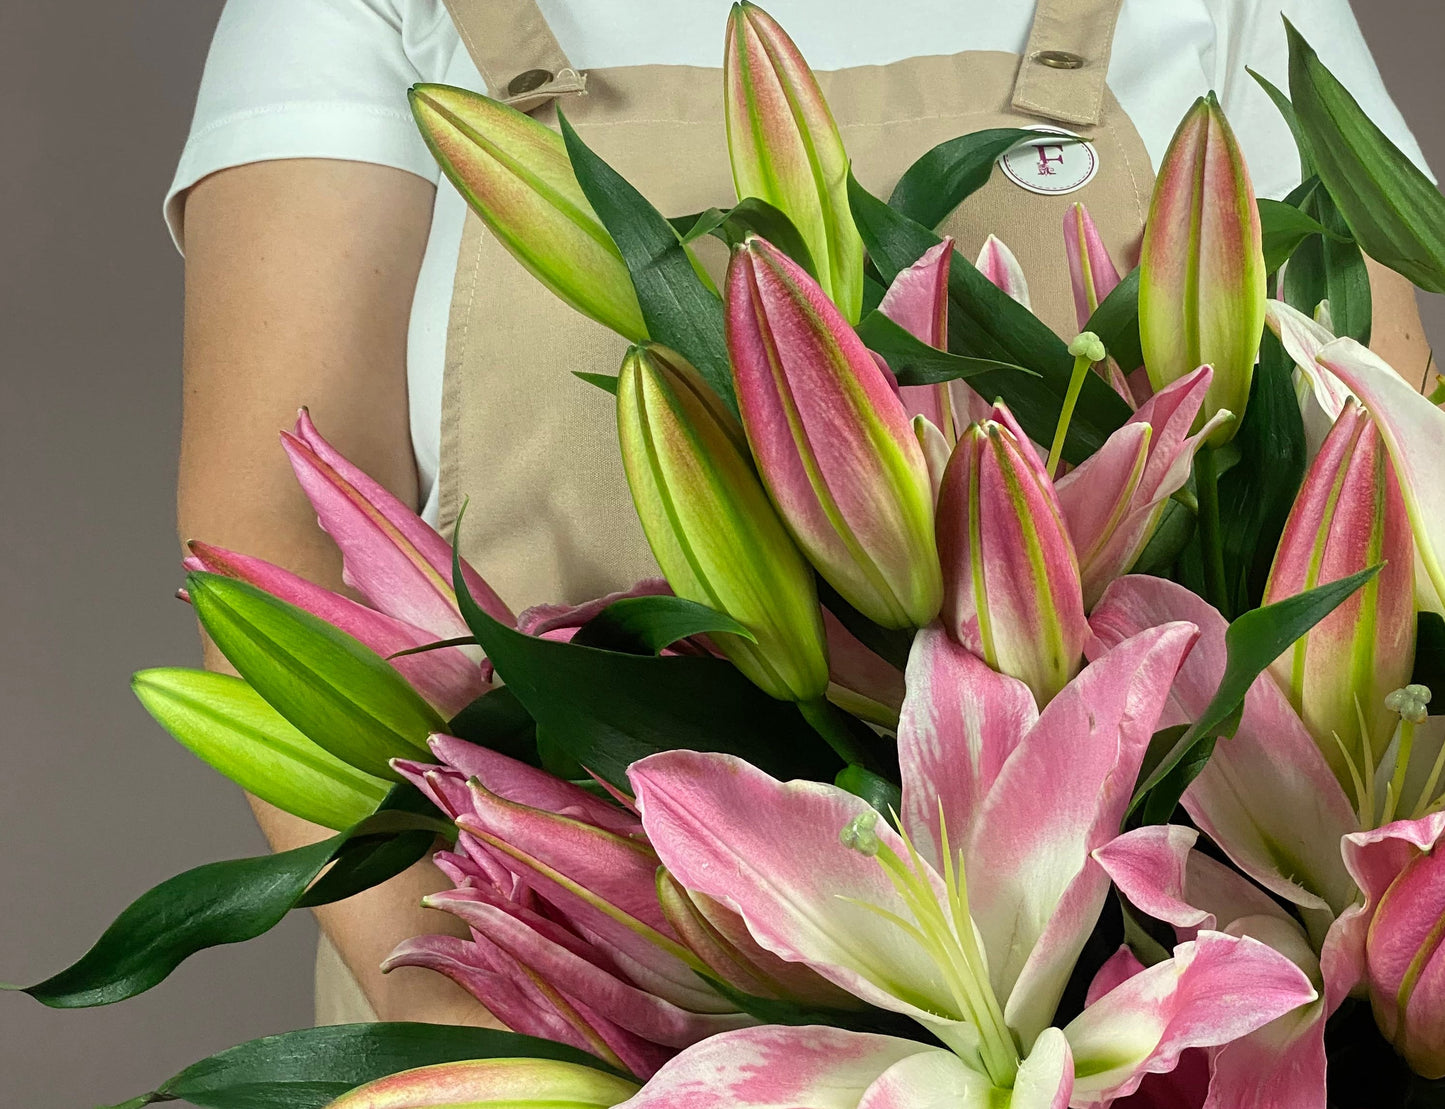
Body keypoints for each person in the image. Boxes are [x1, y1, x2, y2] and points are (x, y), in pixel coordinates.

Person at [169, 0, 1436, 1028]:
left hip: (1150, 1010)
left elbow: (1388, 469)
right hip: (549, 992)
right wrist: (501, 1014)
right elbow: (273, 528)